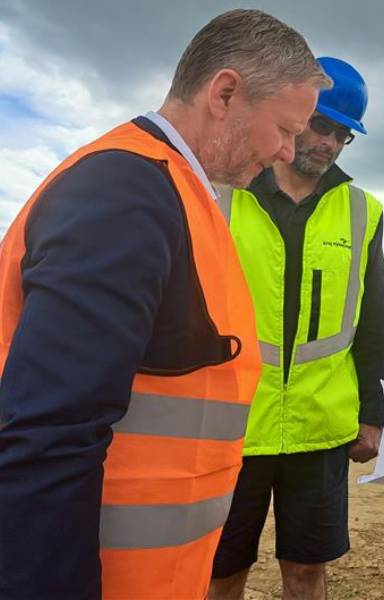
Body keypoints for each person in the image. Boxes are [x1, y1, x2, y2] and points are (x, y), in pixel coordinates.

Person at [0, 10, 329, 599]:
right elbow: (49, 433)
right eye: (285, 129)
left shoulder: (178, 193)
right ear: (224, 93)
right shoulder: (125, 194)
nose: (286, 151)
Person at [208, 57, 384, 600]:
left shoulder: (363, 212)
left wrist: (374, 414)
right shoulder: (226, 194)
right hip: (234, 424)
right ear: (294, 116)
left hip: (319, 429)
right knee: (220, 572)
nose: (328, 142)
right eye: (320, 124)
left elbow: (372, 321)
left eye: (341, 134)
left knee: (307, 572)